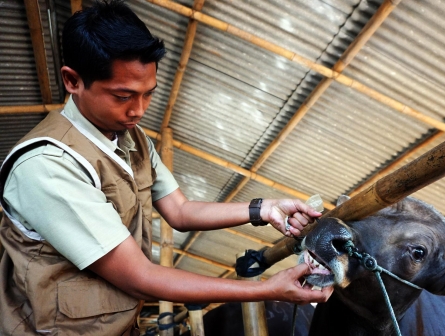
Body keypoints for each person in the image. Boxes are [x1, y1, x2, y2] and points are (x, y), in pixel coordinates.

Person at [0, 1, 332, 334]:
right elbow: (140, 278)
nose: (139, 110)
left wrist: (264, 208)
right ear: (73, 81)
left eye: (148, 94)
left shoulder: (133, 139)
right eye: (123, 96)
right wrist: (266, 289)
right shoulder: (46, 166)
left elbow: (181, 211)